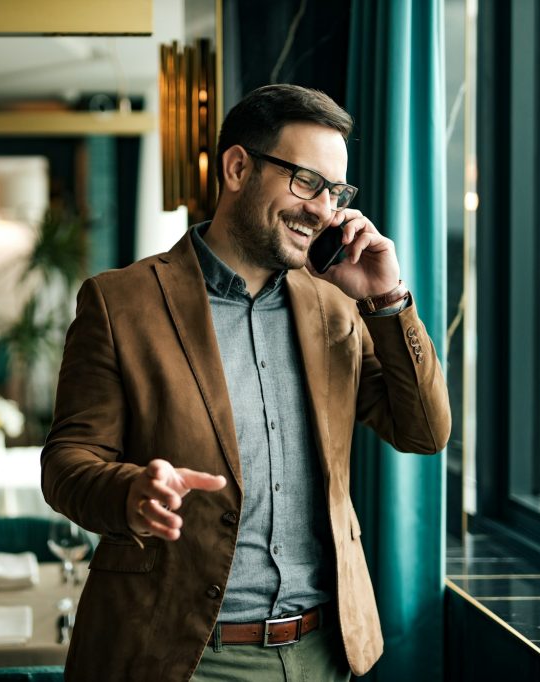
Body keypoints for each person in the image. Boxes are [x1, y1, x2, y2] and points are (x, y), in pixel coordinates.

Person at [41, 84, 451, 682]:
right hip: (181, 656)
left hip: (323, 651)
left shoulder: (336, 306)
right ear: (238, 167)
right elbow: (67, 463)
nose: (323, 210)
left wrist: (388, 301)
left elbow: (425, 431)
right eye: (306, 182)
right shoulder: (120, 302)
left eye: (335, 192)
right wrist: (129, 491)